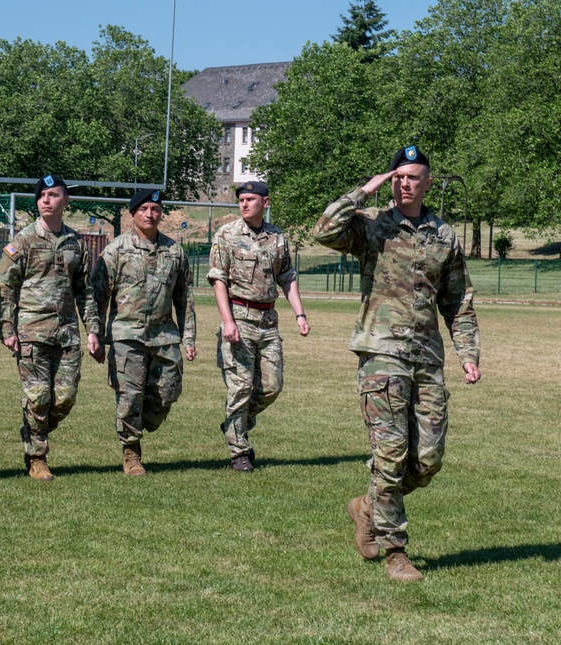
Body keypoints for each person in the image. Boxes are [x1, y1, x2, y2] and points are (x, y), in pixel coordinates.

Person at [314, 146, 480, 582]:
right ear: (390, 181)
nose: (405, 183)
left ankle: (367, 507)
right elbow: (324, 230)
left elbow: (458, 299)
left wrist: (468, 353)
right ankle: (396, 553)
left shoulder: (444, 236)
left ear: (428, 183)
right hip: (381, 354)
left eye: (413, 176)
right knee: (389, 454)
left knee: (427, 459)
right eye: (398, 176)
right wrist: (364, 191)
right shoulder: (372, 227)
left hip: (426, 357)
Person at [0, 174, 97, 481]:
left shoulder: (76, 243)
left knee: (64, 399)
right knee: (38, 397)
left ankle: (31, 431)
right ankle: (37, 457)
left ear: (66, 200)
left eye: (54, 195)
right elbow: (4, 288)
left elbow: (85, 291)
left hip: (66, 334)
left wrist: (92, 329)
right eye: (42, 196)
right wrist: (7, 328)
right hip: (31, 332)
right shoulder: (23, 240)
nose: (47, 200)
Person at [89, 189, 197, 475]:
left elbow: (184, 298)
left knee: (167, 393)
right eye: (144, 209)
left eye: (155, 209)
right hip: (127, 335)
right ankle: (131, 453)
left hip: (164, 335)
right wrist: (96, 336)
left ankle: (141, 423)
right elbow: (99, 297)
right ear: (133, 213)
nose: (150, 214)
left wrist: (189, 338)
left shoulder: (174, 251)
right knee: (129, 396)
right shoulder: (116, 250)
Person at [207, 181, 310, 472]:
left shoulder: (277, 237)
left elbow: (287, 277)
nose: (244, 204)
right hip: (238, 316)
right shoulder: (226, 234)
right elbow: (218, 280)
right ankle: (239, 450)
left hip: (267, 322)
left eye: (250, 199)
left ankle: (233, 424)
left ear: (265, 202)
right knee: (240, 387)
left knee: (272, 386)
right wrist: (227, 321)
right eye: (241, 199)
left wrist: (300, 315)